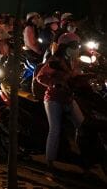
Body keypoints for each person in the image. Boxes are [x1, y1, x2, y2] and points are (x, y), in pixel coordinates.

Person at [35, 32, 85, 170]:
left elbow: (77, 76)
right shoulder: (55, 60)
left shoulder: (74, 60)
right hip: (54, 98)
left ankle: (82, 156)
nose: (77, 48)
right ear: (65, 46)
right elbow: (40, 77)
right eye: (74, 46)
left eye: (78, 45)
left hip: (69, 97)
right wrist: (54, 83)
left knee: (82, 126)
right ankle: (49, 160)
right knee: (55, 129)